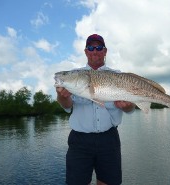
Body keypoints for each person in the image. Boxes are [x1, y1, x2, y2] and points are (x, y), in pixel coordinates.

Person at [56, 34, 136, 185]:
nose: (95, 51)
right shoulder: (76, 76)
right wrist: (62, 96)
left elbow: (131, 108)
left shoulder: (119, 76)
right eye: (91, 48)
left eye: (99, 47)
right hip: (79, 141)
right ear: (86, 52)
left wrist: (128, 105)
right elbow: (66, 105)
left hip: (109, 139)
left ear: (105, 51)